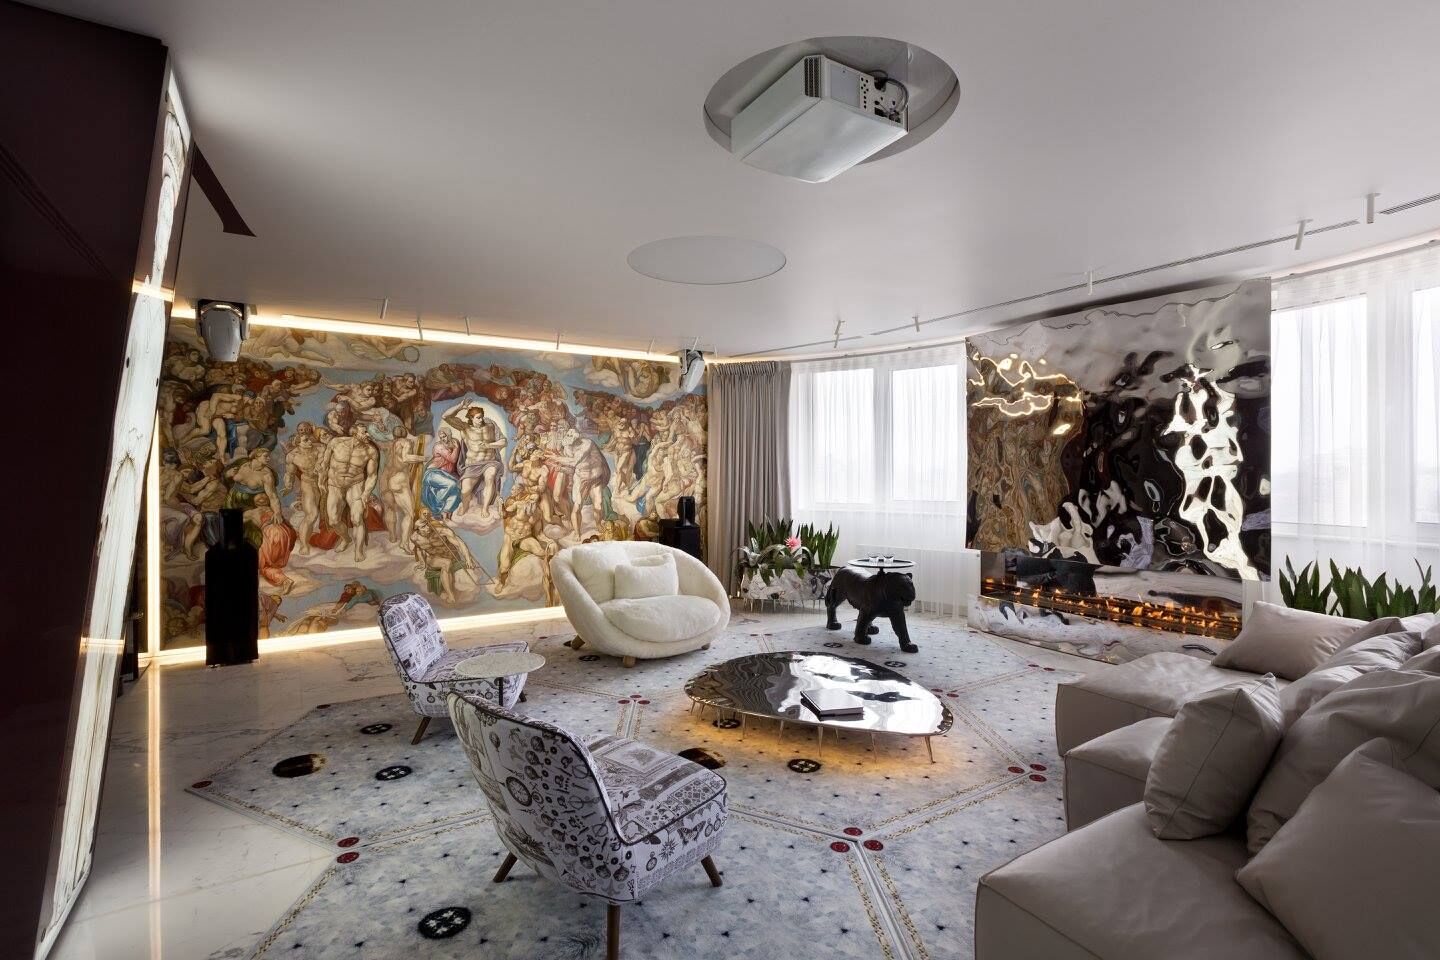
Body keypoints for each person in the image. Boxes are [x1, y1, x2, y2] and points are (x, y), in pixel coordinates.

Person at [320, 424, 380, 561]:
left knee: (357, 518)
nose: (368, 435)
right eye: (364, 432)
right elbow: (325, 464)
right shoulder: (336, 443)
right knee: (333, 520)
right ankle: (346, 539)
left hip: (355, 484)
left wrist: (365, 494)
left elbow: (372, 476)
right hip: (334, 485)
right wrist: (321, 481)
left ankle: (358, 551)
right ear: (354, 433)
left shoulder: (370, 451)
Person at [443, 404, 507, 518]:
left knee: (490, 477)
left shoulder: (490, 426)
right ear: (471, 418)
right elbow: (445, 416)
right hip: (472, 464)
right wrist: (460, 406)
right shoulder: (465, 428)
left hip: (490, 461)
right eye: (478, 418)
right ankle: (465, 505)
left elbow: (503, 442)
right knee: (465, 491)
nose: (481, 419)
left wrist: (489, 445)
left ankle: (485, 508)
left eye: (481, 416)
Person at [546, 426, 611, 536]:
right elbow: (572, 468)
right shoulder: (567, 448)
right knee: (577, 507)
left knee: (598, 505)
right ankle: (577, 533)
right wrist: (560, 468)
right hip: (580, 478)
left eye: (571, 435)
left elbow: (575, 461)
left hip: (595, 478)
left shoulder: (587, 444)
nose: (568, 437)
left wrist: (556, 458)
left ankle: (598, 524)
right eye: (568, 435)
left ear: (577, 437)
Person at [410, 513, 477, 603]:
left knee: (448, 562)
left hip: (449, 556)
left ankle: (451, 593)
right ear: (417, 530)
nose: (427, 528)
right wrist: (422, 562)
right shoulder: (415, 538)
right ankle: (450, 595)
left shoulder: (442, 531)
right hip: (433, 558)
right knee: (446, 563)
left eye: (427, 525)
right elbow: (419, 549)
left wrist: (468, 559)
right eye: (423, 527)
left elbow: (460, 543)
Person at [281, 424, 325, 555]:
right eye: (305, 440)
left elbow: (324, 459)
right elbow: (290, 473)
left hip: (325, 482)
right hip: (308, 483)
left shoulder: (320, 448)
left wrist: (320, 465)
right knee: (311, 515)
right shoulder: (292, 456)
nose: (309, 441)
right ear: (298, 442)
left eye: (309, 438)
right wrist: (288, 486)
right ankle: (304, 544)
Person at [380, 425, 426, 548]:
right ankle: (404, 543)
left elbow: (380, 445)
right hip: (399, 479)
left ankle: (392, 536)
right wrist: (423, 458)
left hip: (385, 478)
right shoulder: (406, 442)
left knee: (390, 508)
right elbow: (406, 458)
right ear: (405, 433)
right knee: (409, 514)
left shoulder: (389, 444)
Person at [248, 494, 297, 592]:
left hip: (269, 535)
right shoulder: (275, 511)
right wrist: (290, 544)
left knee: (264, 566)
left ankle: (284, 580)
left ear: (255, 503)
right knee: (272, 558)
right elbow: (290, 528)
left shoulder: (251, 513)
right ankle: (275, 564)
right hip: (284, 533)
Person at [420, 429, 463, 520]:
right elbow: (452, 459)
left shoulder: (452, 443)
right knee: (451, 484)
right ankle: (437, 505)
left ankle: (445, 514)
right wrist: (456, 448)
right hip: (432, 473)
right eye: (441, 437)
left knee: (456, 491)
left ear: (449, 435)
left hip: (444, 475)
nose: (443, 439)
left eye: (445, 436)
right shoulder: (439, 446)